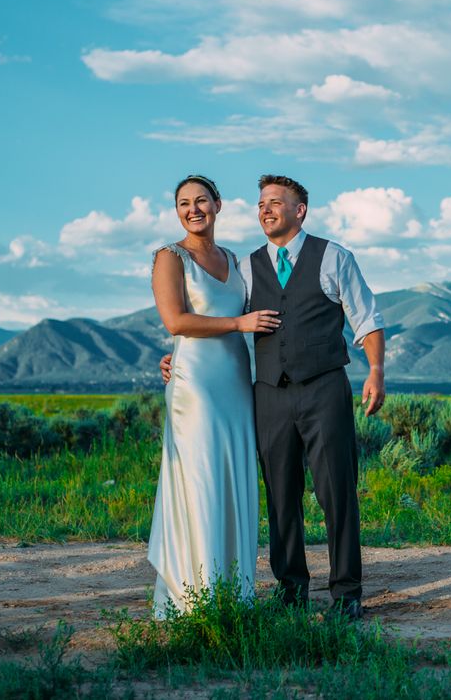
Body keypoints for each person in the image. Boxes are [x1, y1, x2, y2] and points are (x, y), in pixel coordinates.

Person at [161, 174, 386, 621]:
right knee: (281, 495)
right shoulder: (245, 268)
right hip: (269, 394)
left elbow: (367, 318)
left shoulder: (334, 257)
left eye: (276, 203)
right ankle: (291, 590)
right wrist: (175, 357)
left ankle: (346, 592)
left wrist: (376, 371)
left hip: (324, 388)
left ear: (299, 211)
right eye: (261, 203)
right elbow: (216, 315)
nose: (266, 210)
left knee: (336, 492)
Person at [148, 174, 281, 618]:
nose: (193, 209)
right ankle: (195, 597)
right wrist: (238, 325)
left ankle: (235, 594)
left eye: (201, 200)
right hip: (197, 386)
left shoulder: (234, 259)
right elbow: (176, 322)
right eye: (184, 203)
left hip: (235, 381)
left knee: (233, 479)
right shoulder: (170, 257)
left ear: (218, 204)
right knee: (202, 481)